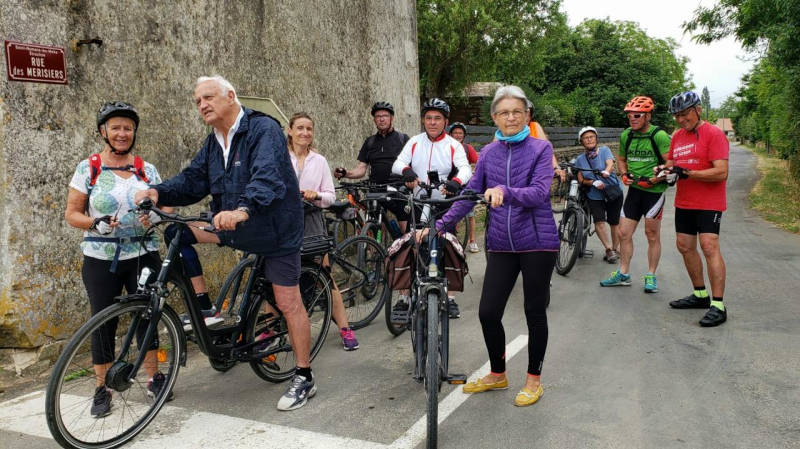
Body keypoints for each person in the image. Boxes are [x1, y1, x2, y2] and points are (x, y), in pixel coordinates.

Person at [134, 75, 315, 411]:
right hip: (233, 226)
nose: (202, 105)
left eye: (208, 97)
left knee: (288, 301)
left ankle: (304, 375)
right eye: (197, 101)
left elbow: (267, 176)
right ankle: (204, 308)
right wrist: (158, 192)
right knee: (177, 233)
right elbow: (193, 180)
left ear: (230, 96)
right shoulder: (214, 142)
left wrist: (243, 208)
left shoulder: (263, 130)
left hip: (275, 230)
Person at [433, 85, 558, 407]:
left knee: (534, 311)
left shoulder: (541, 148)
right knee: (488, 312)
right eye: (504, 113)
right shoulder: (489, 153)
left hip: (537, 242)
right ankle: (498, 374)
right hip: (502, 243)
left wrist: (505, 190)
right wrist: (439, 225)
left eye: (517, 112)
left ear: (527, 115)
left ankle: (533, 380)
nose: (511, 117)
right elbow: (471, 193)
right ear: (494, 118)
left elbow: (539, 192)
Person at [65, 101, 171, 417]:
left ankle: (153, 378)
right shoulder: (88, 168)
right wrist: (94, 222)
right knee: (103, 322)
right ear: (104, 131)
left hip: (143, 253)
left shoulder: (146, 169)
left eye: (128, 128)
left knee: (147, 316)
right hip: (101, 257)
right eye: (116, 128)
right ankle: (103, 389)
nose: (122, 133)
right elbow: (72, 213)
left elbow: (166, 207)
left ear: (134, 132)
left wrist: (155, 217)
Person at [391, 97, 472, 319]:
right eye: (428, 118)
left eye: (437, 118)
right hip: (419, 202)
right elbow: (397, 163)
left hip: (444, 204)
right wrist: (406, 171)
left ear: (445, 121)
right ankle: (404, 297)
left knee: (449, 247)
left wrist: (456, 182)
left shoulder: (453, 145)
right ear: (423, 120)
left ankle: (450, 297)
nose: (433, 122)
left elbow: (465, 169)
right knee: (411, 245)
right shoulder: (415, 141)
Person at [288, 112, 359, 350]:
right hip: (284, 223)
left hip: (311, 221)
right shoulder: (280, 157)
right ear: (290, 131)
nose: (304, 133)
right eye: (300, 128)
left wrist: (315, 194)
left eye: (309, 129)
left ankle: (345, 328)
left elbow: (329, 196)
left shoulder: (318, 161)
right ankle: (269, 332)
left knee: (325, 277)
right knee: (277, 278)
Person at [660, 91, 730, 327]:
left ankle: (718, 305)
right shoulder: (677, 136)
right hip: (685, 202)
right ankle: (700, 294)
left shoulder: (714, 133)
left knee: (709, 246)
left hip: (709, 202)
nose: (680, 119)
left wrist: (688, 173)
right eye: (676, 116)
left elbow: (721, 172)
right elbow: (671, 164)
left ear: (698, 110)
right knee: (684, 246)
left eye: (684, 114)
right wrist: (663, 171)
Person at [600, 96, 671, 293]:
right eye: (630, 115)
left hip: (654, 193)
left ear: (648, 116)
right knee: (623, 233)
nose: (632, 118)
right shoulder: (627, 135)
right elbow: (621, 159)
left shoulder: (659, 136)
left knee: (652, 235)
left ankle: (651, 275)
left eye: (637, 115)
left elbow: (671, 163)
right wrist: (624, 174)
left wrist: (656, 177)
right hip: (634, 192)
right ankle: (623, 274)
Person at [333, 101, 410, 231]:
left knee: (406, 231)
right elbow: (361, 168)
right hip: (376, 191)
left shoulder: (403, 139)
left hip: (398, 190)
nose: (381, 119)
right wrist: (346, 173)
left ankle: (406, 243)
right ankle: (377, 245)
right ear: (374, 120)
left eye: (385, 116)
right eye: (378, 116)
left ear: (392, 118)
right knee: (377, 229)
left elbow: (413, 165)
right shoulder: (370, 142)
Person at [574, 126, 622, 263]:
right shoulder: (580, 159)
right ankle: (609, 249)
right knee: (599, 222)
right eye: (585, 138)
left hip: (612, 191)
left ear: (596, 139)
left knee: (614, 222)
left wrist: (606, 171)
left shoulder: (605, 150)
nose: (589, 140)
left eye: (591, 137)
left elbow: (610, 164)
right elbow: (580, 179)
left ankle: (615, 248)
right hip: (595, 195)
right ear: (581, 141)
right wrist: (592, 182)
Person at [447, 121, 481, 253]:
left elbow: (479, 163)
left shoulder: (467, 148)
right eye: (455, 133)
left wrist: (476, 177)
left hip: (465, 185)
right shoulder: (445, 148)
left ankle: (472, 241)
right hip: (450, 185)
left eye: (460, 133)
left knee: (470, 213)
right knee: (450, 212)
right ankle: (452, 239)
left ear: (464, 135)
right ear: (450, 134)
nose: (457, 135)